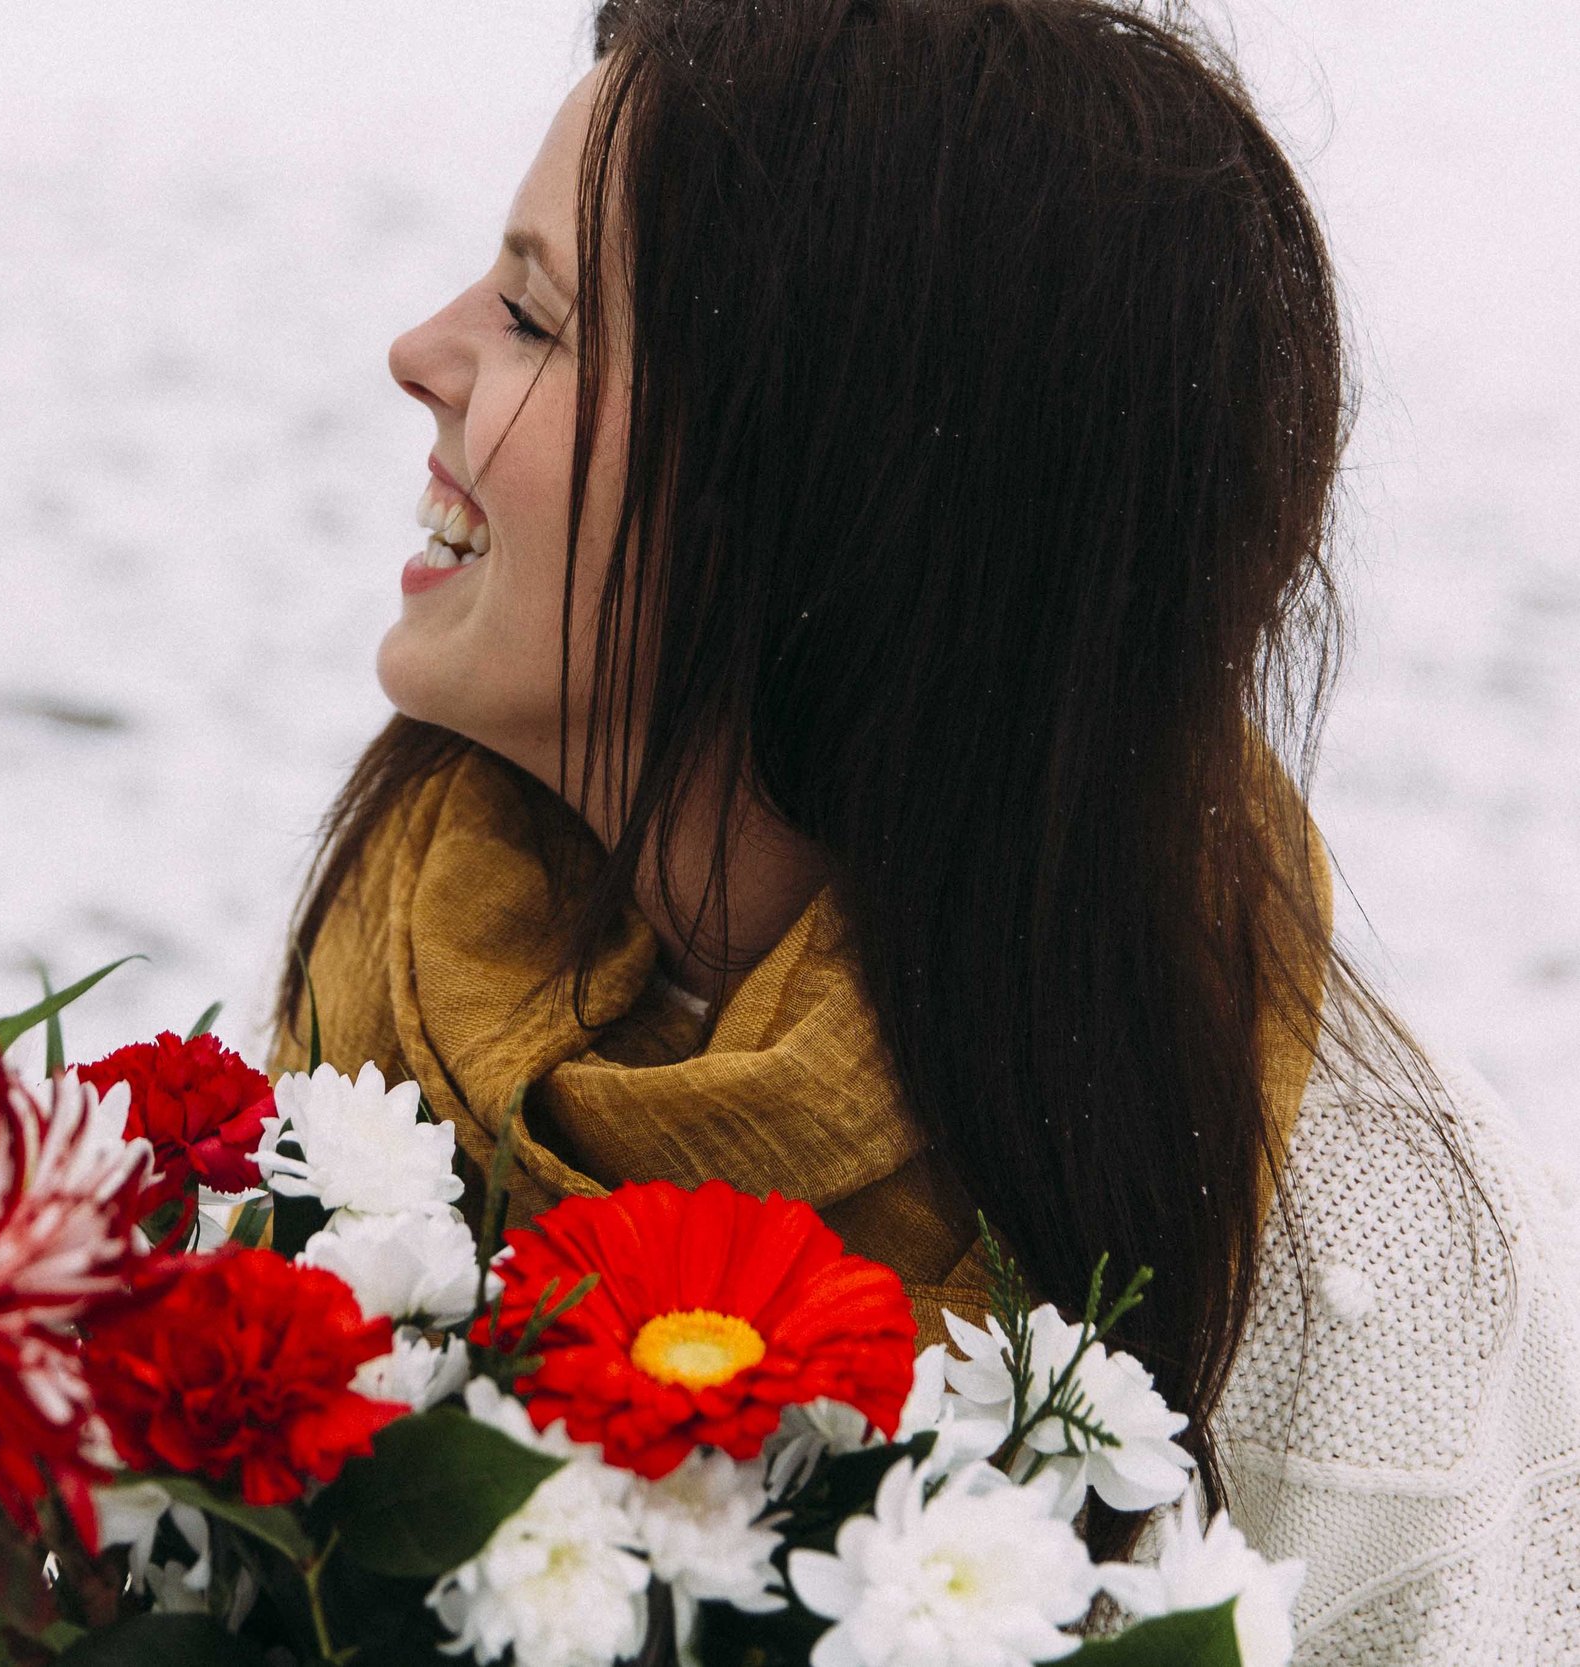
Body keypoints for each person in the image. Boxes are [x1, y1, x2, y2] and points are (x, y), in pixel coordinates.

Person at [273, 0, 1580, 1656]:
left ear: (826, 508)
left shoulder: (1376, 1290)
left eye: (535, 320)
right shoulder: (415, 975)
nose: (423, 351)